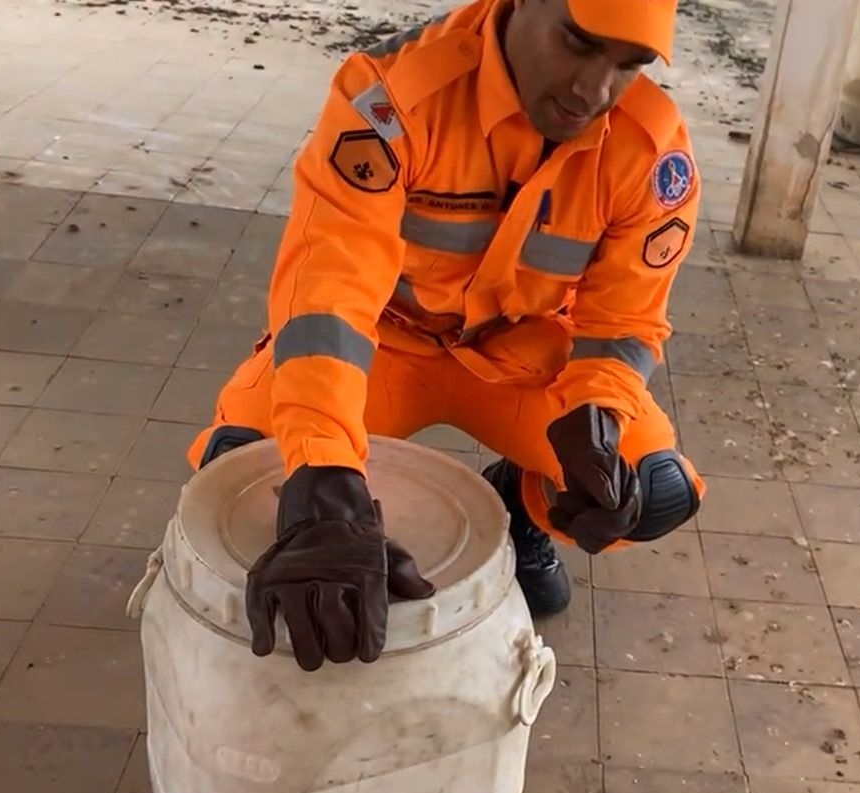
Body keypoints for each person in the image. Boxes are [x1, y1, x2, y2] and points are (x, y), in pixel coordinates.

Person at [187, 0, 706, 672]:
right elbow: (327, 295)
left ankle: (521, 508)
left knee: (650, 490)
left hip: (519, 351)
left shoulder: (649, 149)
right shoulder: (391, 99)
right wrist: (323, 472)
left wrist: (596, 417)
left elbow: (624, 321)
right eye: (577, 43)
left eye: (630, 65)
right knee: (243, 472)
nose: (594, 90)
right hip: (384, 343)